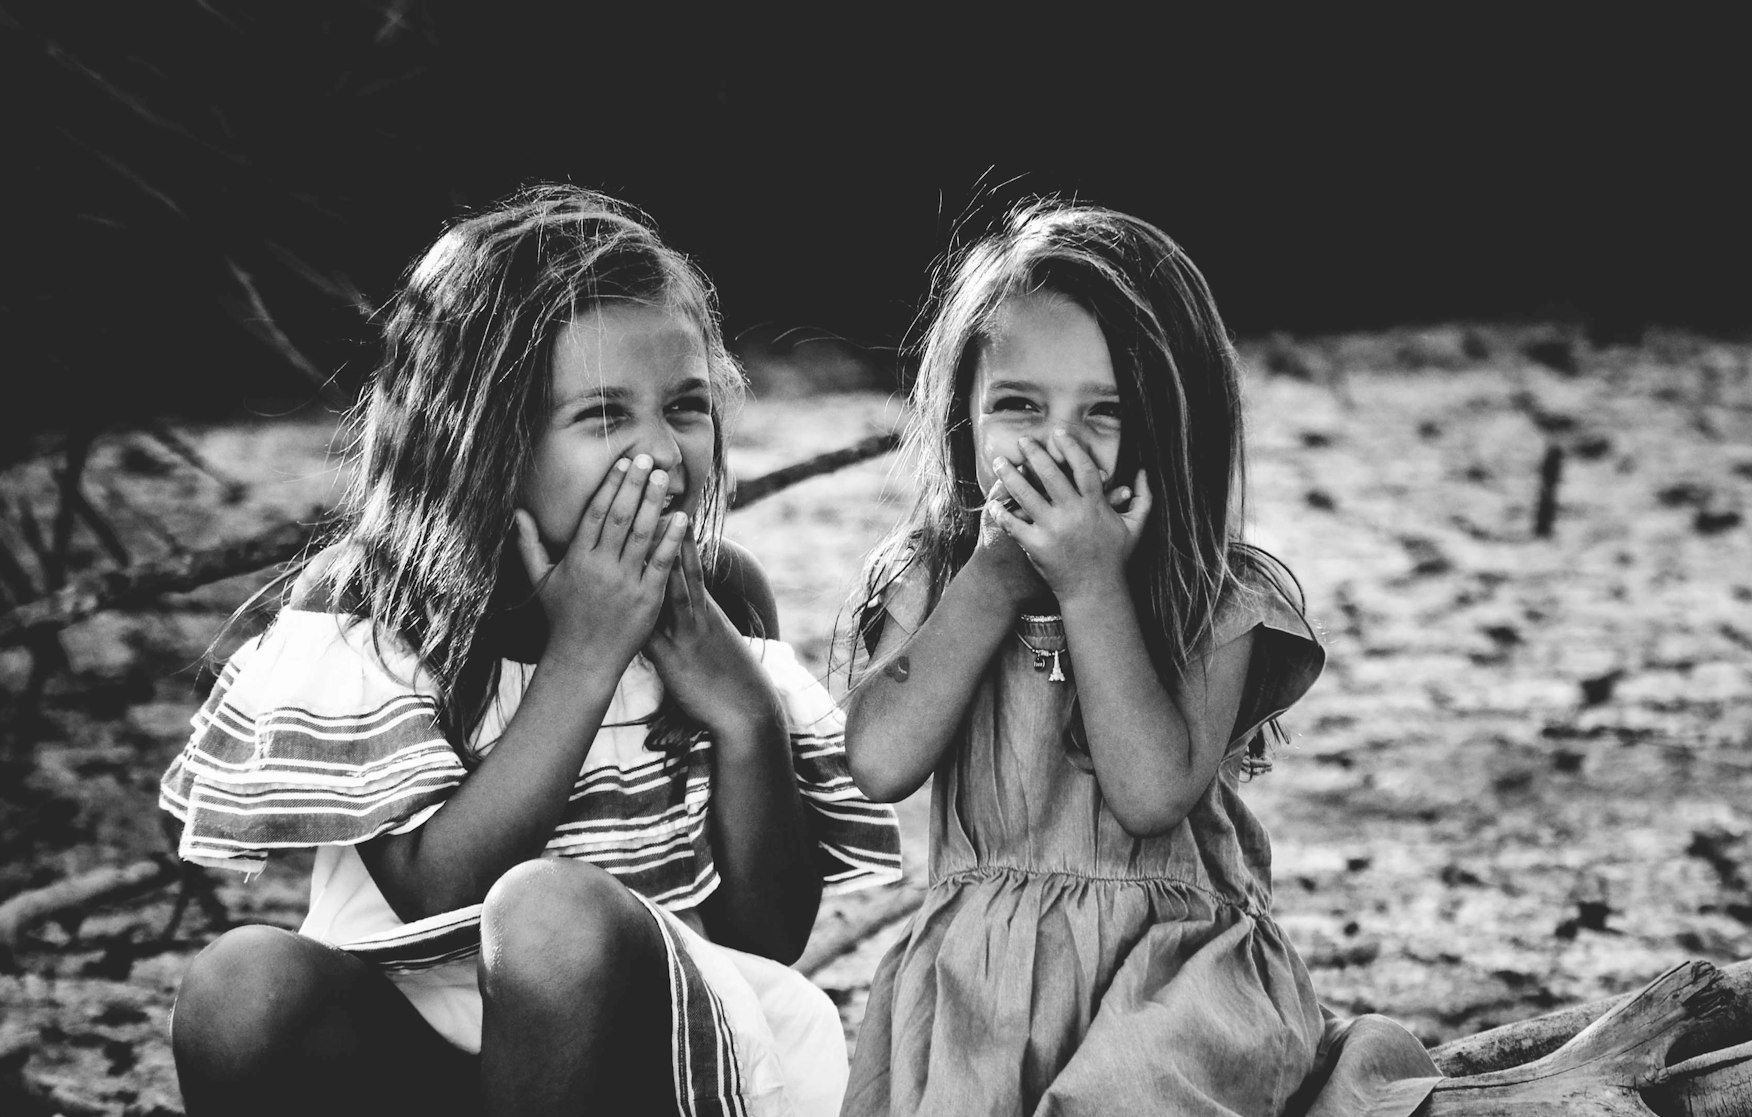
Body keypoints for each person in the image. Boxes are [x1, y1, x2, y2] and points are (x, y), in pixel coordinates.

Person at [158, 183, 903, 1117]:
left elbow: (771, 935)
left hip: (652, 1060)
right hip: (414, 1051)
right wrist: (586, 656)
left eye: (685, 406)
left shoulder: (720, 595)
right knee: (239, 985)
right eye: (602, 417)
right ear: (484, 438)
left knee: (555, 915)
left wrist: (744, 712)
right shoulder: (375, 602)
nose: (662, 454)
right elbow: (435, 897)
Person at [838, 200, 1442, 1116]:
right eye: (1018, 405)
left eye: (1106, 411)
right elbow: (879, 760)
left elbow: (1152, 789)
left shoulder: (1213, 597)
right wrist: (994, 584)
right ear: (963, 416)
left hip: (1171, 985)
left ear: (1173, 422)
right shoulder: (934, 576)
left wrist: (1090, 587)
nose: (1057, 443)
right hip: (982, 988)